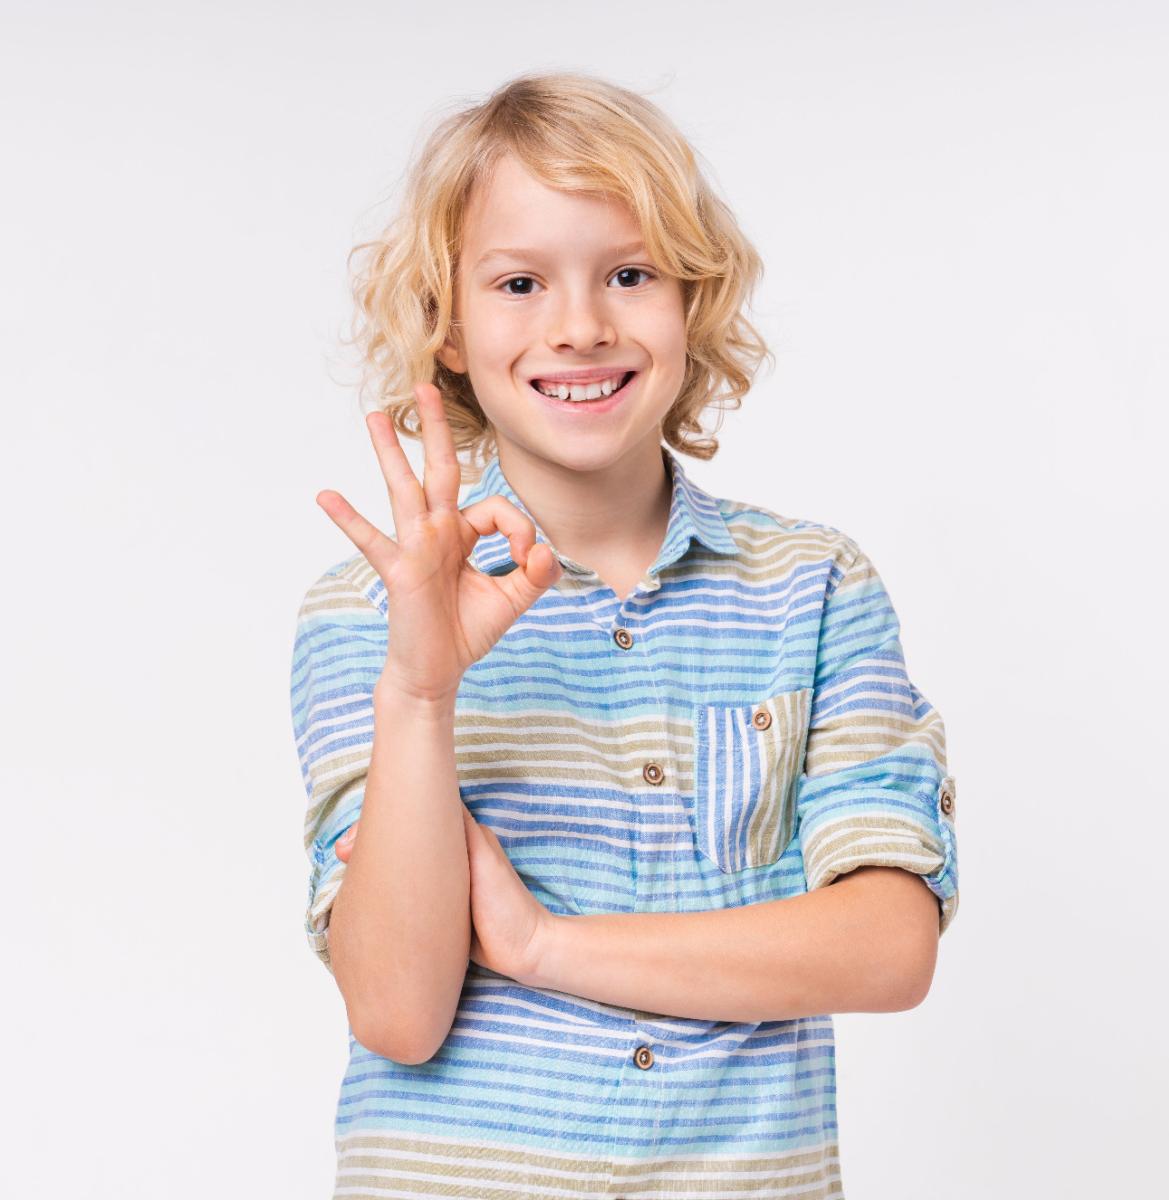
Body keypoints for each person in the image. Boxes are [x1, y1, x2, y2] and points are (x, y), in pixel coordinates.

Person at [291, 73, 958, 1199]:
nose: (581, 326)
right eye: (519, 282)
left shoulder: (815, 588)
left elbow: (890, 947)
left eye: (630, 273)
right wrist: (420, 694)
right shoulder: (370, 610)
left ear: (693, 298)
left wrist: (544, 946)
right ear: (448, 327)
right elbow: (399, 1011)